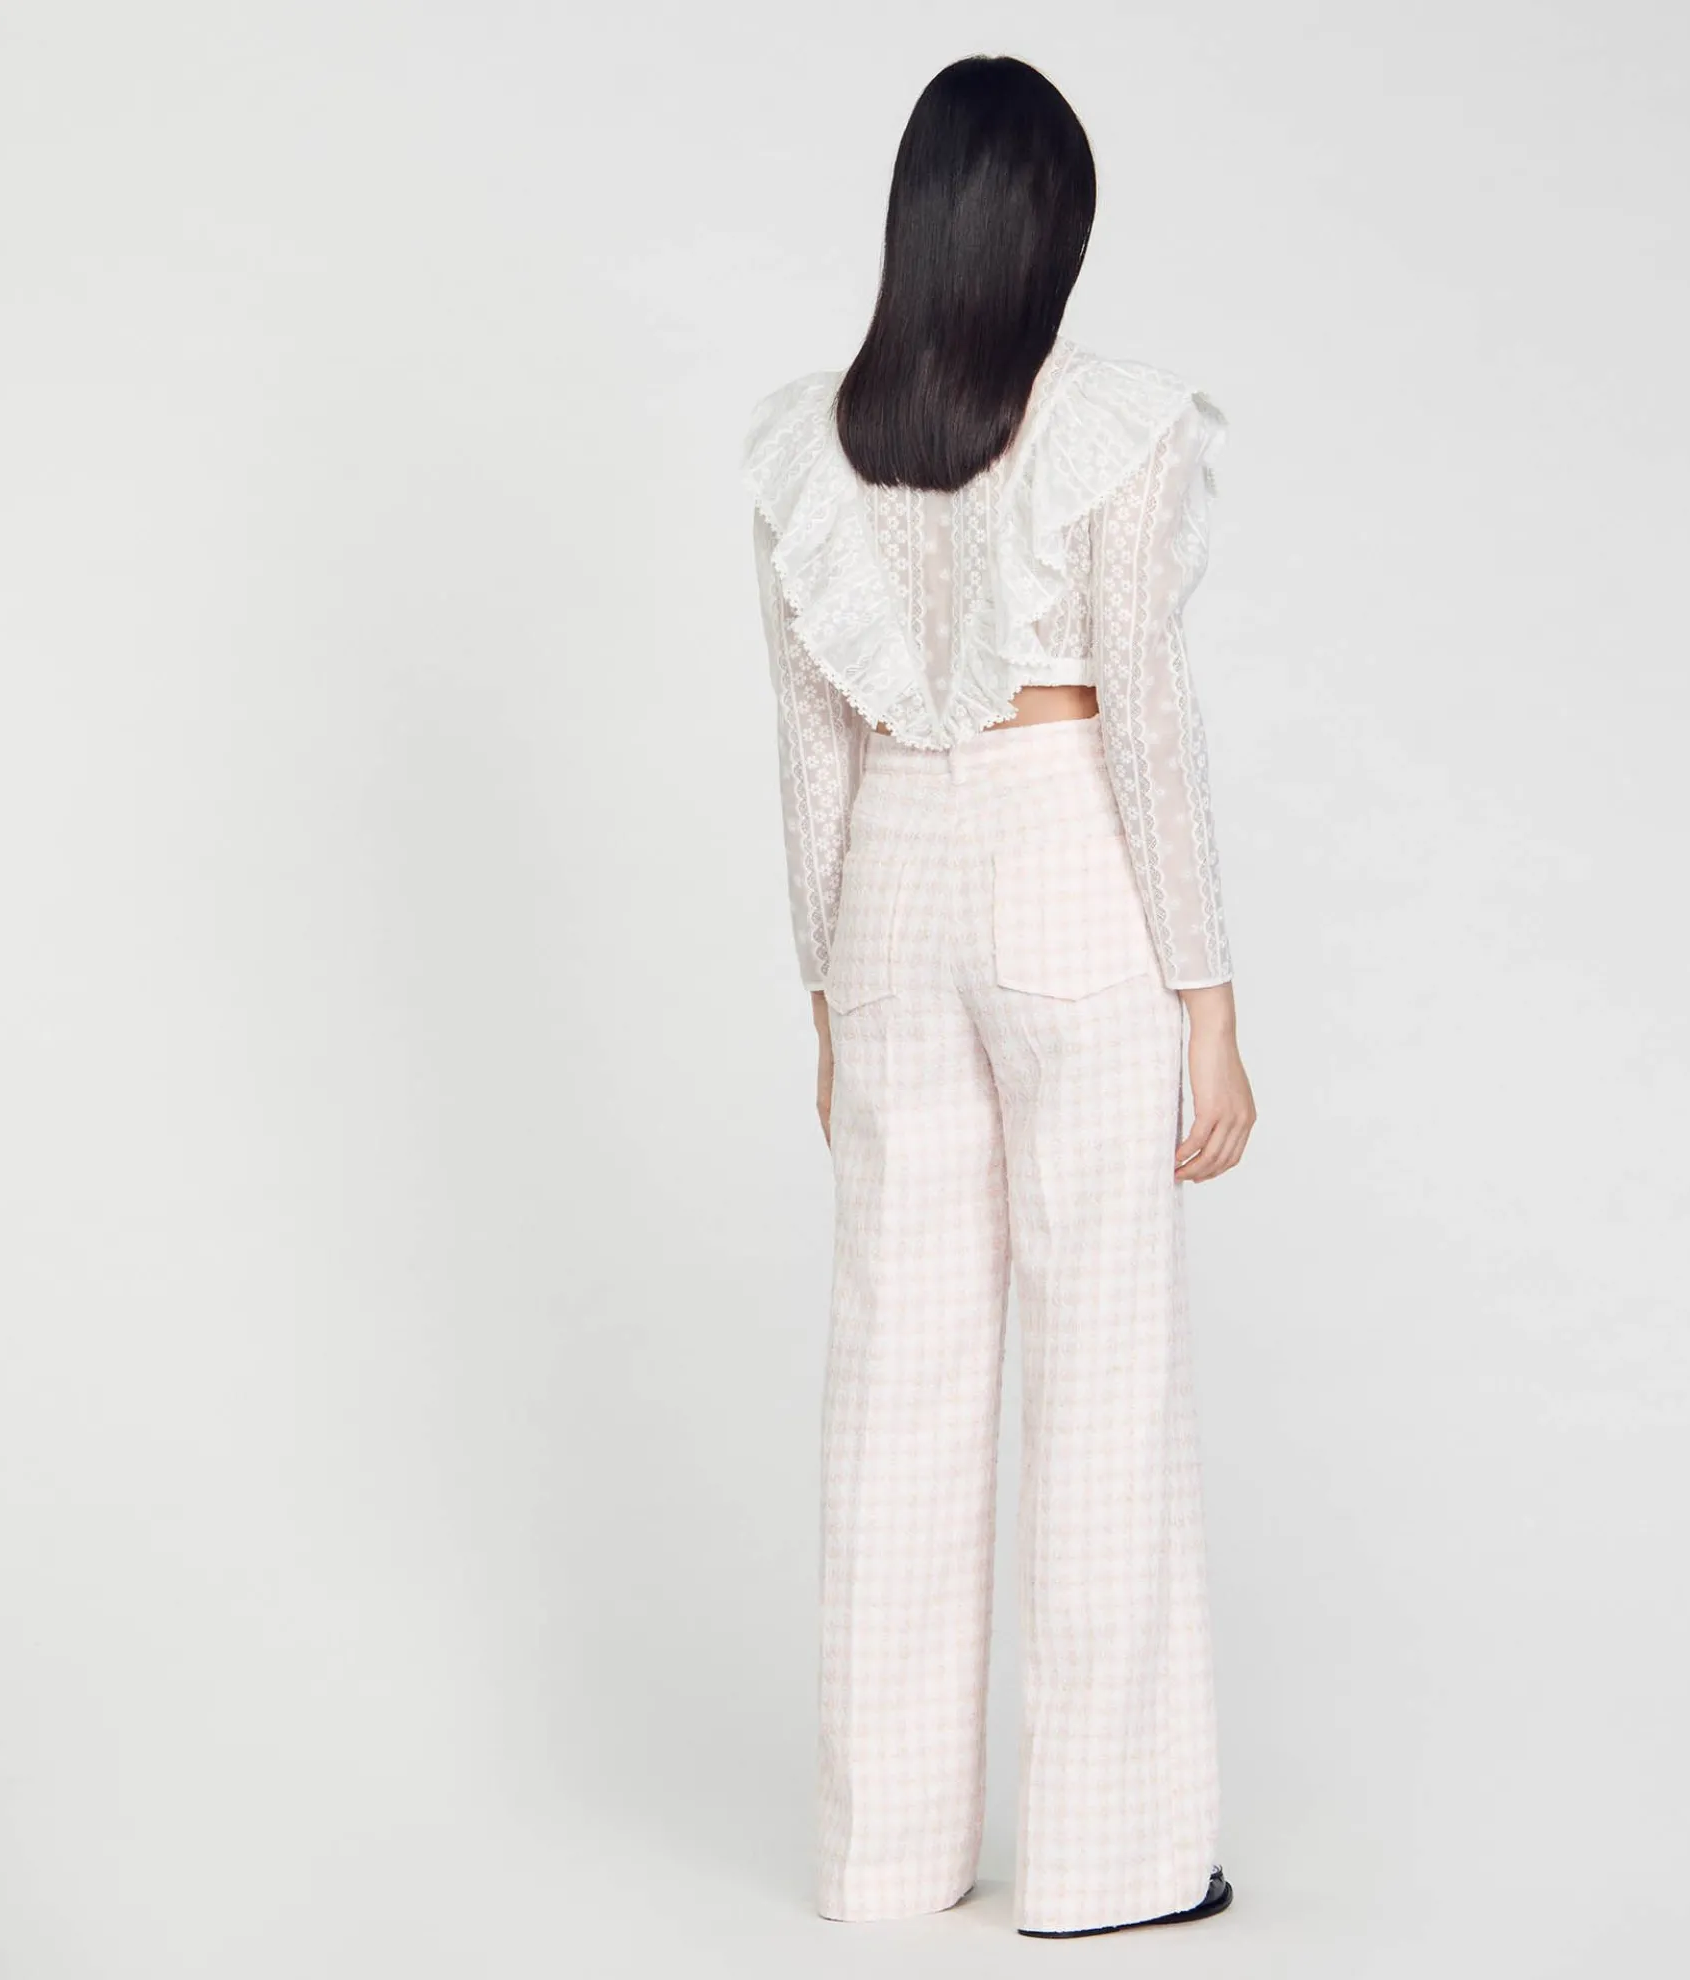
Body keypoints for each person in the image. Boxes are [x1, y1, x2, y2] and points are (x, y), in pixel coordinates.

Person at [738, 53, 1254, 1940]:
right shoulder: (1111, 425)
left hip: (889, 886)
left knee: (898, 1371)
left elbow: (810, 752)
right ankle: (1111, 1863)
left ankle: (885, 1856)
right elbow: (1150, 722)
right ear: (1054, 231)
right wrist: (1208, 997)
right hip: (1063, 863)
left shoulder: (811, 446)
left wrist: (825, 995)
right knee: (1101, 1364)